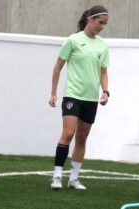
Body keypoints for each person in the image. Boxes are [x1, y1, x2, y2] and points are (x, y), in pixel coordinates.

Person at [49, 5, 110, 190]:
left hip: (91, 99)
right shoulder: (73, 40)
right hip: (72, 96)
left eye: (105, 24)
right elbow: (58, 67)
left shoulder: (102, 45)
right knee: (68, 134)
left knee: (82, 138)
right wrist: (53, 92)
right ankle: (57, 176)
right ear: (91, 19)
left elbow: (103, 72)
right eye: (100, 22)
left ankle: (74, 179)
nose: (102, 26)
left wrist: (106, 91)